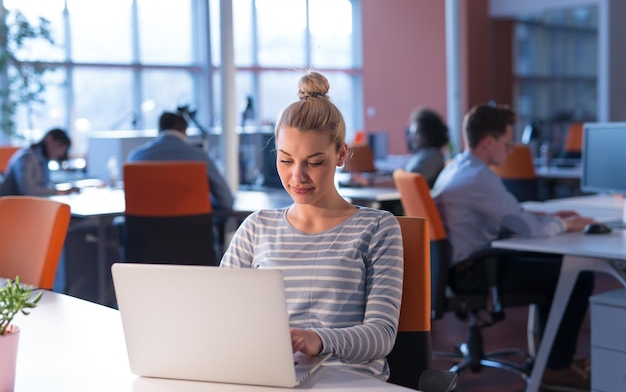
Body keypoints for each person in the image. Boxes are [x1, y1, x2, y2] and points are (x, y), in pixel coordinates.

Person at [220, 71, 404, 381]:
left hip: (346, 380)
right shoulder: (256, 228)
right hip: (269, 376)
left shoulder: (376, 228)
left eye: (315, 162)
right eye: (286, 160)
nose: (297, 176)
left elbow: (381, 335)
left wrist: (319, 340)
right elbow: (219, 312)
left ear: (341, 154)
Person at [432, 103, 595, 392]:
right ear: (488, 142)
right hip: (477, 272)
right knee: (576, 275)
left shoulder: (458, 166)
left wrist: (548, 217)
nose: (511, 150)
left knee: (552, 265)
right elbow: (528, 229)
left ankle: (551, 359)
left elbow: (510, 215)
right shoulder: (479, 178)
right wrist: (568, 225)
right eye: (508, 142)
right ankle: (556, 367)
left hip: (461, 267)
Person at [127, 110, 234, 210]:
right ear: (184, 131)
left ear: (159, 129)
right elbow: (226, 201)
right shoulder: (200, 157)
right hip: (193, 227)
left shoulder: (136, 157)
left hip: (145, 228)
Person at [0, 128, 78, 196]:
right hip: (12, 207)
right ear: (49, 138)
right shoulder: (27, 157)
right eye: (60, 146)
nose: (60, 153)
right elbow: (29, 191)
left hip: (29, 206)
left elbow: (45, 186)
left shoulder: (43, 160)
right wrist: (60, 192)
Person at [404, 107, 449, 187]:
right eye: (410, 133)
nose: (411, 137)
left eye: (416, 133)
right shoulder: (423, 154)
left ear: (428, 135)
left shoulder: (432, 158)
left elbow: (407, 182)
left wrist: (375, 182)